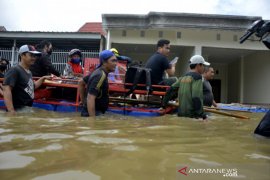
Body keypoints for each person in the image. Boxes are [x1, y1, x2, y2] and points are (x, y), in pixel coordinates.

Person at [2, 45, 51, 113]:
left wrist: (43, 78)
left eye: (35, 56)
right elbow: (6, 89)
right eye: (31, 55)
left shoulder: (29, 72)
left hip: (26, 109)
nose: (34, 58)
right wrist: (11, 111)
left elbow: (32, 86)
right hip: (17, 109)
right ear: (22, 55)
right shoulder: (15, 70)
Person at [162, 55, 210, 119]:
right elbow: (196, 96)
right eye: (203, 65)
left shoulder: (183, 77)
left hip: (181, 114)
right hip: (192, 116)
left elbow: (170, 90)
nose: (204, 67)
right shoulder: (197, 77)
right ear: (198, 65)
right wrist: (201, 115)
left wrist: (163, 105)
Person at [80, 50, 117, 117]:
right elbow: (90, 98)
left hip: (94, 112)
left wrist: (83, 102)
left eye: (116, 61)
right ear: (104, 62)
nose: (115, 63)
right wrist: (92, 121)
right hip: (94, 114)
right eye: (113, 61)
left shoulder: (97, 71)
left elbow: (81, 82)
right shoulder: (101, 75)